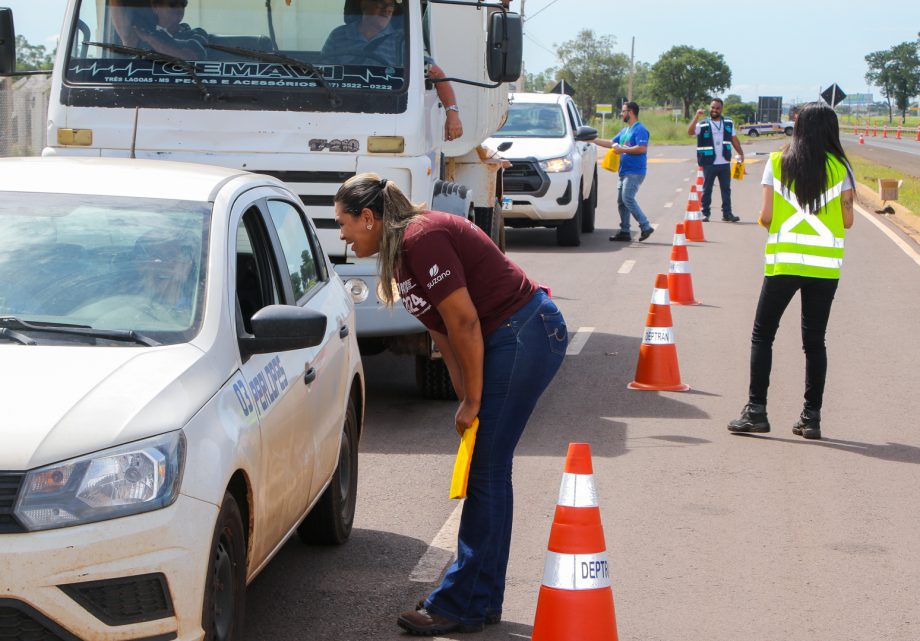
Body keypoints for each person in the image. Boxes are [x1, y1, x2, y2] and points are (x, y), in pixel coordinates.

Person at [333, 174, 567, 635]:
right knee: (489, 467)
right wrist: (466, 403)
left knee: (486, 471)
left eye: (343, 223)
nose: (341, 234)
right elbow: (442, 336)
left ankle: (461, 603)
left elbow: (464, 323)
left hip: (525, 333)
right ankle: (479, 601)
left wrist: (475, 398)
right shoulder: (401, 255)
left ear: (368, 217)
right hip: (508, 338)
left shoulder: (424, 237)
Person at [727, 102, 855, 440]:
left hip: (783, 264)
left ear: (798, 127)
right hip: (825, 269)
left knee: (763, 335)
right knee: (814, 342)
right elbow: (848, 220)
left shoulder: (776, 162)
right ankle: (810, 418)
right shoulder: (841, 168)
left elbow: (767, 216)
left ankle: (756, 411)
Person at [322, 0, 463, 141]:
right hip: (339, 114)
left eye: (391, 5)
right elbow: (323, 72)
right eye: (381, 3)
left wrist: (452, 114)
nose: (387, 10)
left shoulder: (401, 41)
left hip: (389, 117)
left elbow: (437, 74)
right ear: (364, 4)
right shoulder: (339, 36)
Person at [592, 101, 654, 242]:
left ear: (630, 112)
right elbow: (611, 143)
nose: (621, 113)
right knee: (621, 201)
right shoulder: (626, 130)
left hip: (635, 171)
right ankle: (625, 231)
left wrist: (623, 149)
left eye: (623, 111)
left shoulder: (640, 129)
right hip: (624, 171)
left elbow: (642, 148)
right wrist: (592, 140)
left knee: (627, 198)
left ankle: (645, 226)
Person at [687, 98, 744, 222]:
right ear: (710, 108)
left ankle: (727, 214)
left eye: (717, 108)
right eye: (713, 108)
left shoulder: (728, 122)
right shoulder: (703, 124)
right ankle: (705, 212)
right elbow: (690, 132)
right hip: (709, 162)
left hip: (724, 161)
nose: (714, 110)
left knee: (726, 189)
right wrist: (696, 116)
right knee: (707, 188)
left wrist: (741, 153)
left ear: (721, 109)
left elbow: (734, 139)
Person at [134, 0, 207, 59]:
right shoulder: (138, 34)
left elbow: (189, 59)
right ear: (155, 7)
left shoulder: (197, 34)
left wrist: (150, 39)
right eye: (173, 3)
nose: (179, 8)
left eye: (183, 4)